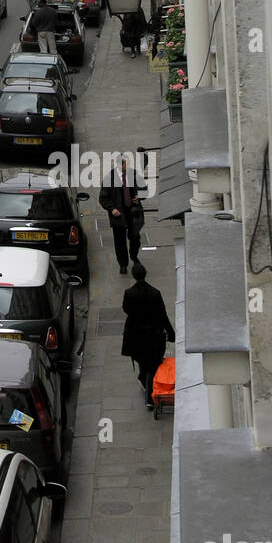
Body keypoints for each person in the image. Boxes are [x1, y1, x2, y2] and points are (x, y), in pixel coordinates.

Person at [121, 263, 175, 407]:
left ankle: (147, 390)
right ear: (145, 274)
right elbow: (163, 315)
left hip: (136, 336)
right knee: (152, 365)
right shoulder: (155, 293)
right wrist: (171, 333)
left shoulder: (129, 293)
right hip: (153, 336)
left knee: (144, 364)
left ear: (133, 275)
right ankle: (149, 395)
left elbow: (126, 310)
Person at [99, 152, 147, 274]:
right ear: (119, 164)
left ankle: (134, 256)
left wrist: (139, 196)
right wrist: (111, 209)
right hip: (118, 214)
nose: (128, 165)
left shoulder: (134, 174)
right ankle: (123, 264)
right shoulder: (109, 178)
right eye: (126, 163)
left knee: (135, 238)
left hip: (133, 212)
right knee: (119, 241)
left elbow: (144, 189)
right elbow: (103, 198)